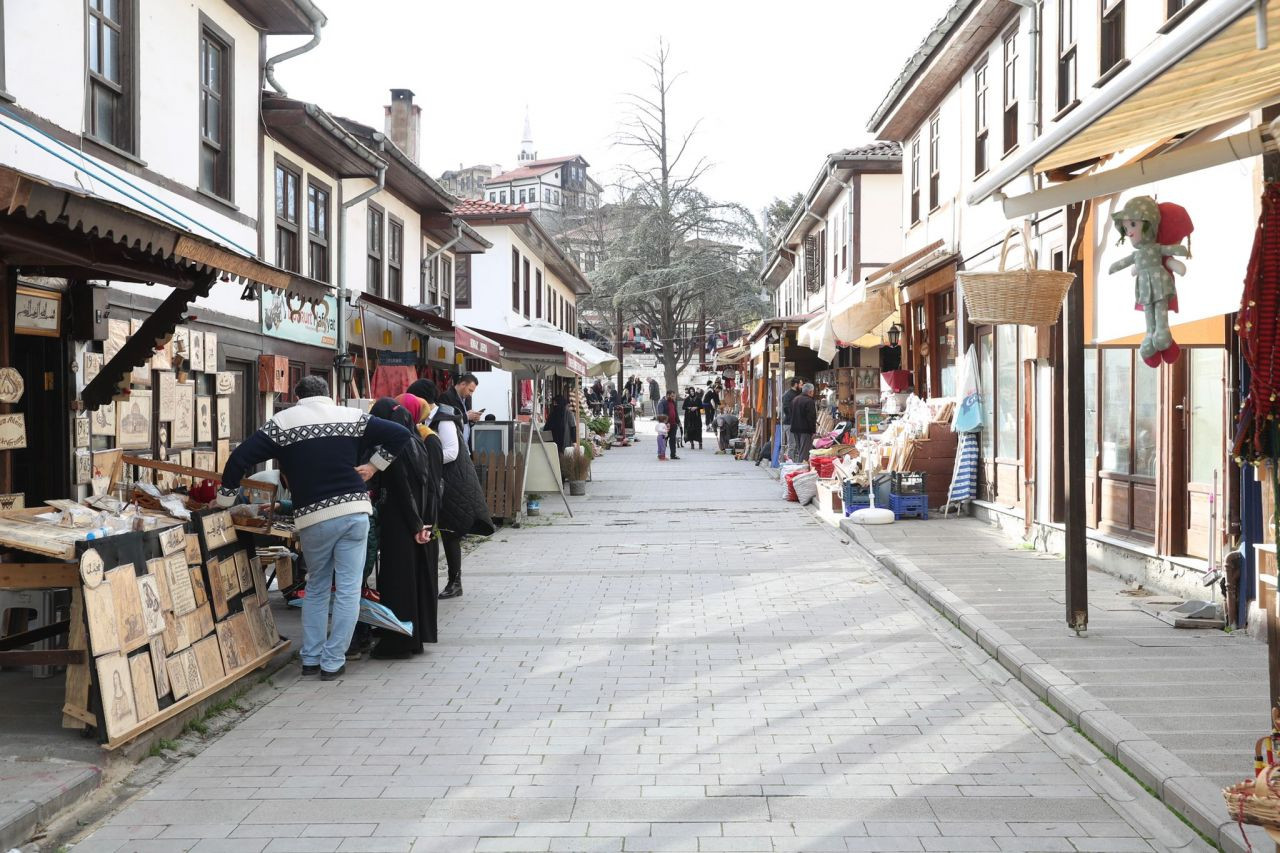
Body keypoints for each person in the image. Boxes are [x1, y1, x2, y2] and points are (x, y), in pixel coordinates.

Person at [219, 375, 412, 680]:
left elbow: (239, 458)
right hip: (355, 511)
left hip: (314, 516)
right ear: (327, 394)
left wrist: (224, 498)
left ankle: (310, 658)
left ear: (298, 397)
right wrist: (374, 466)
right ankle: (333, 661)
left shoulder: (282, 423)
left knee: (318, 586)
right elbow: (401, 433)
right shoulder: (351, 416)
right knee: (349, 590)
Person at [363, 397, 441, 659]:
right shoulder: (417, 440)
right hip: (415, 522)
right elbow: (428, 486)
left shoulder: (393, 448)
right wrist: (423, 523)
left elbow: (401, 488)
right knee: (412, 581)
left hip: (400, 522)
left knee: (397, 583)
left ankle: (398, 641)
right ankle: (413, 638)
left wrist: (414, 523)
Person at [406, 379, 495, 600]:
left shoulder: (443, 420)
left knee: (450, 533)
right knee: (441, 531)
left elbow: (451, 453)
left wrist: (422, 461)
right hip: (440, 482)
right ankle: (437, 581)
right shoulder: (428, 418)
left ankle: (455, 583)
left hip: (452, 483)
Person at [442, 373, 481, 449]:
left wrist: (473, 419)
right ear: (463, 384)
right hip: (454, 446)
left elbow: (466, 423)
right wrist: (466, 417)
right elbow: (445, 420)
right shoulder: (446, 397)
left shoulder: (467, 399)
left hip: (465, 446)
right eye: (470, 390)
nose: (471, 394)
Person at [790, 382, 818, 462]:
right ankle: (802, 468)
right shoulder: (809, 401)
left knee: (800, 450)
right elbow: (811, 418)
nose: (813, 393)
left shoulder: (795, 399)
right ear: (810, 392)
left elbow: (791, 413)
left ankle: (800, 466)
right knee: (805, 452)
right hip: (805, 430)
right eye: (813, 391)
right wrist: (813, 431)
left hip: (795, 429)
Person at [780, 377, 802, 460]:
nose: (801, 386)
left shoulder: (797, 394)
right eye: (800, 384)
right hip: (790, 423)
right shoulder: (788, 395)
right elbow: (786, 409)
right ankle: (790, 463)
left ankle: (794, 461)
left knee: (796, 444)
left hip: (796, 423)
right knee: (792, 444)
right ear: (796, 384)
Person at [660, 391, 681, 459]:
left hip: (673, 424)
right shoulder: (662, 403)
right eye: (672, 396)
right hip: (665, 426)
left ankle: (673, 455)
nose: (673, 397)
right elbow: (660, 414)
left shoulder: (673, 402)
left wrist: (678, 422)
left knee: (673, 440)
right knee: (663, 440)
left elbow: (676, 413)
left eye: (674, 396)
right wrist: (665, 423)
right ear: (667, 395)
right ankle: (662, 455)